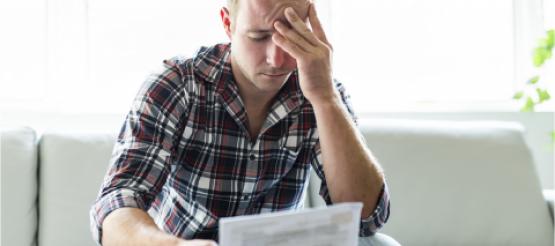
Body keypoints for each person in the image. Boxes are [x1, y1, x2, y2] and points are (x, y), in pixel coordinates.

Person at [90, 0, 391, 245]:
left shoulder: (320, 89)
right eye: (259, 37)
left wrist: (325, 97)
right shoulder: (178, 84)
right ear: (228, 24)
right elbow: (117, 203)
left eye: (292, 36)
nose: (277, 59)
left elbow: (366, 219)